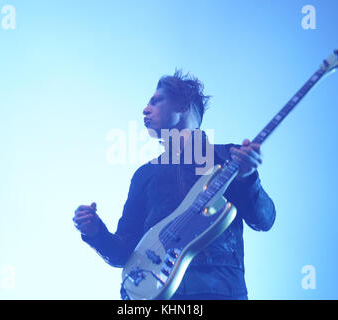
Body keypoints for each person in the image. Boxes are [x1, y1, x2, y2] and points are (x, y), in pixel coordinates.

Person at [73, 70, 276, 300]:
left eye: (156, 100)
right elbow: (123, 253)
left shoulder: (228, 156)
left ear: (183, 105)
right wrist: (96, 232)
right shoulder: (144, 174)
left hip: (218, 290)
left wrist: (248, 177)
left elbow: (264, 220)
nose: (145, 109)